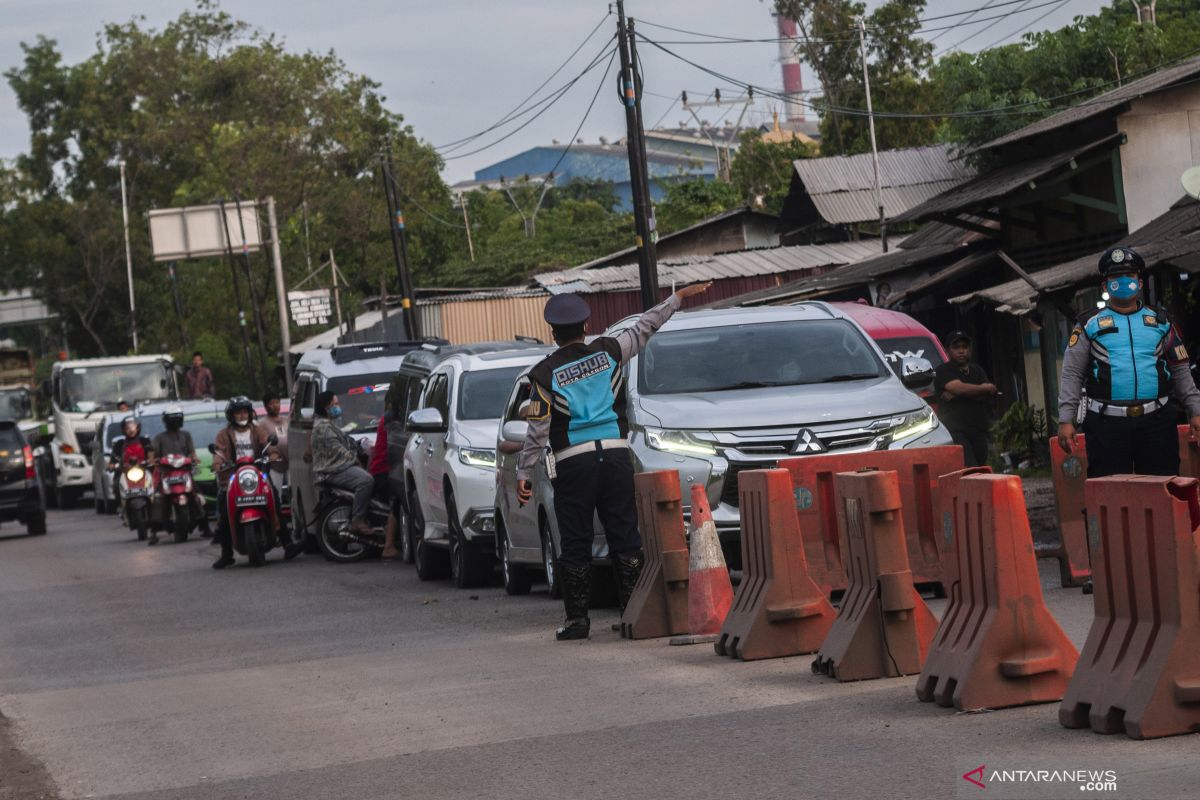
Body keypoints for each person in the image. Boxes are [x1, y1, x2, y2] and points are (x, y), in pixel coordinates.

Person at [519, 282, 713, 641]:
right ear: (586, 327)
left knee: (575, 539)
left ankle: (578, 622)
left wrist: (525, 474)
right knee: (624, 533)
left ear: (552, 333)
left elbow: (537, 429)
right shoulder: (610, 350)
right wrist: (676, 299)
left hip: (573, 463)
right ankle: (633, 615)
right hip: (616, 456)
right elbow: (644, 326)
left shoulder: (543, 375)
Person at [1057, 245, 1200, 477]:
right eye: (1115, 277)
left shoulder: (1162, 322)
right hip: (1105, 425)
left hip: (1157, 422)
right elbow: (1072, 374)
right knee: (1110, 496)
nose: (1123, 281)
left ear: (1140, 282)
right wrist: (1066, 419)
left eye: (1129, 276)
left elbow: (1181, 369)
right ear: (1105, 286)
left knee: (1162, 492)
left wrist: (1196, 410)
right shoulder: (1087, 324)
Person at [211, 396, 300, 569]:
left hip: (257, 473)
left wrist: (272, 453)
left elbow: (268, 443)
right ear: (231, 415)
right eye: (238, 412)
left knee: (274, 501)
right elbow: (219, 451)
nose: (242, 415)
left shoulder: (257, 430)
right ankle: (226, 554)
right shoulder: (223, 434)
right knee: (223, 511)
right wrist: (218, 463)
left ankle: (288, 544)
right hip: (233, 476)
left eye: (244, 411)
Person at [311, 391, 374, 537]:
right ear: (327, 406)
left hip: (338, 467)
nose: (338, 407)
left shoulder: (328, 424)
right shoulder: (323, 427)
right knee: (366, 480)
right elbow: (339, 451)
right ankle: (357, 520)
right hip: (333, 470)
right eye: (336, 404)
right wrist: (356, 461)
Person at [932, 331, 998, 468]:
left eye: (965, 347)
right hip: (956, 432)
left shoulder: (977, 370)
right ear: (948, 350)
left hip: (978, 430)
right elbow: (959, 388)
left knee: (982, 467)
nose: (961, 351)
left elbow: (988, 392)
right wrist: (982, 388)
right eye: (956, 347)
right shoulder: (943, 370)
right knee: (970, 468)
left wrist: (962, 393)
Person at [151, 405, 201, 530]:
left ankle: (204, 526)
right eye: (171, 419)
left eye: (177, 418)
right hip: (166, 473)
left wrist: (194, 458)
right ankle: (154, 531)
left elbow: (192, 452)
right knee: (157, 498)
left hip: (184, 472)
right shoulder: (159, 438)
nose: (174, 421)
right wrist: (153, 461)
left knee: (197, 495)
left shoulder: (186, 435)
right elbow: (153, 454)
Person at [109, 416, 157, 545]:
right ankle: (121, 507)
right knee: (115, 484)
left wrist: (151, 460)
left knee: (157, 485)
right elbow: (113, 460)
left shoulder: (144, 440)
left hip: (144, 470)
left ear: (138, 427)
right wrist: (112, 465)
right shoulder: (120, 444)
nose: (131, 430)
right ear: (124, 430)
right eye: (127, 428)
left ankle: (158, 509)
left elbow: (151, 453)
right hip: (126, 472)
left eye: (133, 427)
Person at [368, 412, 400, 559]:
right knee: (397, 502)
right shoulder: (392, 421)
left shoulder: (386, 419)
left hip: (383, 469)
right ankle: (388, 546)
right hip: (384, 471)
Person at [257, 392, 289, 493]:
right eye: (272, 403)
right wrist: (272, 452)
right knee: (275, 492)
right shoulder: (262, 423)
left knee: (292, 491)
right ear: (266, 407)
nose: (275, 405)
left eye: (277, 402)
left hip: (290, 462)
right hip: (273, 465)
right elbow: (263, 441)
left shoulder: (286, 420)